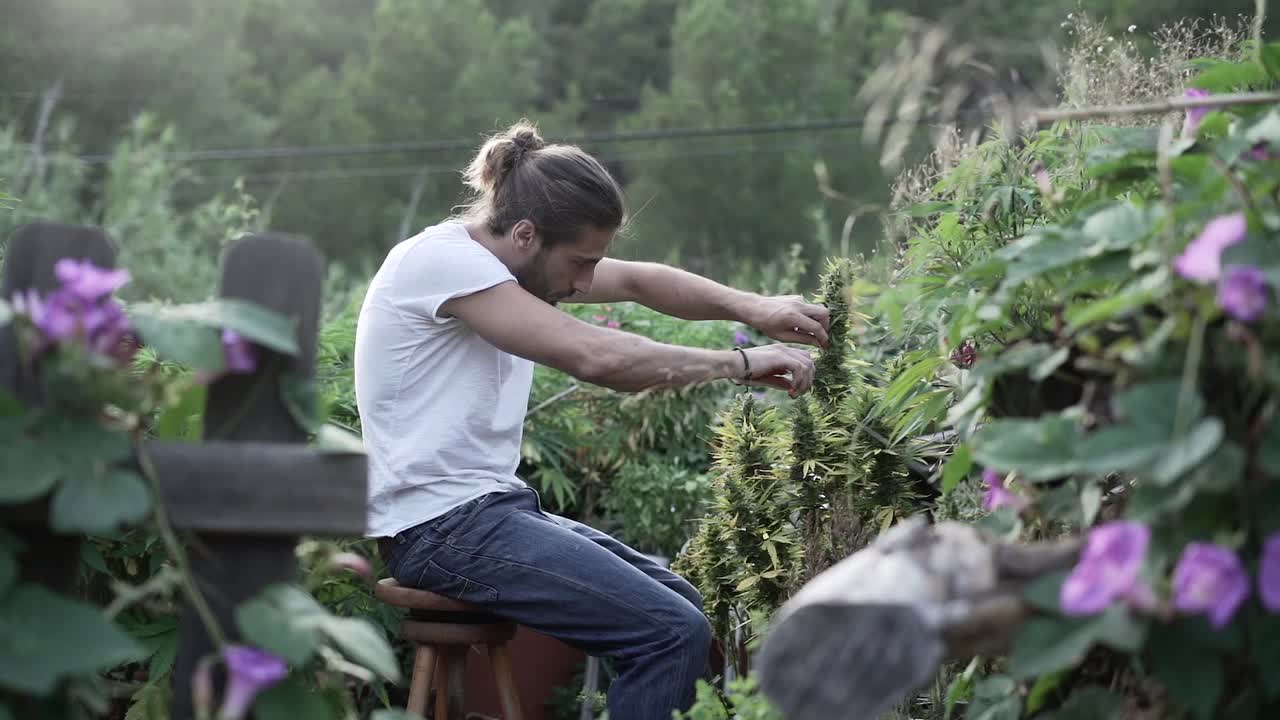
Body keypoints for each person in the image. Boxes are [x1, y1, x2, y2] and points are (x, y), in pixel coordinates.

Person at [354, 119, 829, 720]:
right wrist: (739, 361)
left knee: (682, 605)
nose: (584, 283)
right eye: (580, 264)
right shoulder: (441, 263)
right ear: (525, 233)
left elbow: (638, 280)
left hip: (486, 512)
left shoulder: (508, 261)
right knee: (669, 635)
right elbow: (595, 356)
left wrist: (756, 307)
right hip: (438, 528)